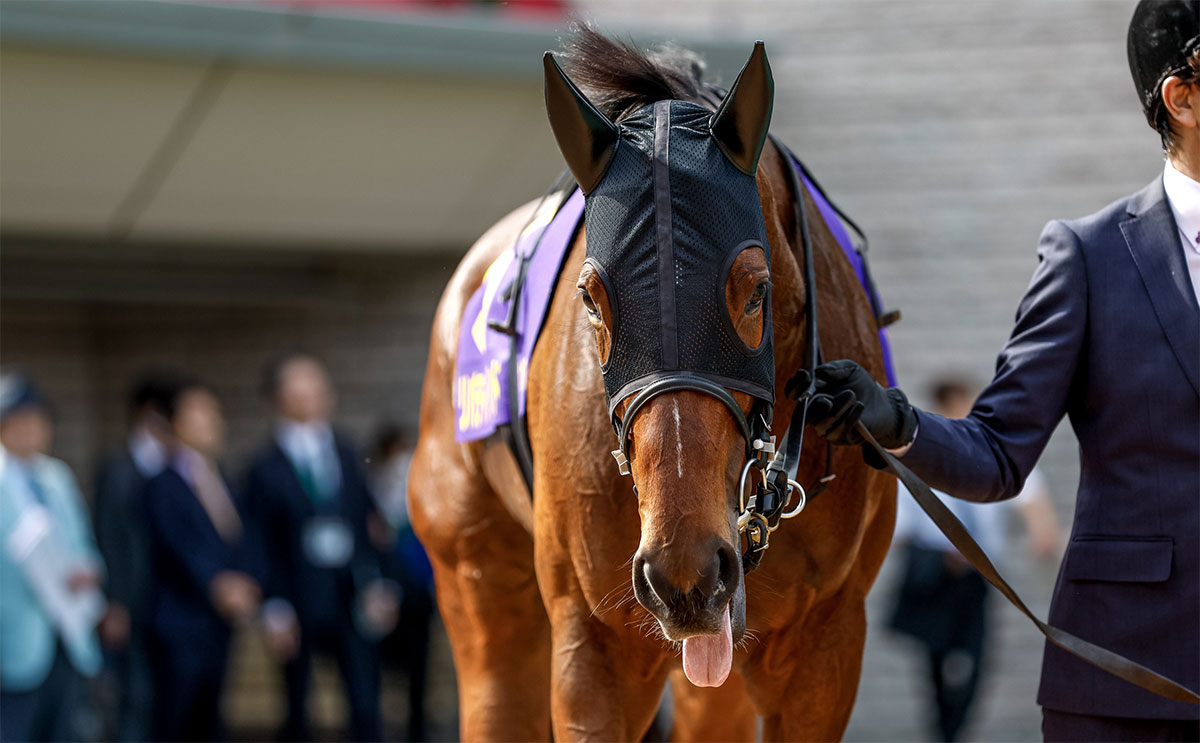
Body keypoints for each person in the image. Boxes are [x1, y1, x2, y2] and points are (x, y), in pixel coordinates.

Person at [804, 3, 1200, 739]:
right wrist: (893, 421)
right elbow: (997, 454)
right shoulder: (1091, 258)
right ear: (1183, 98)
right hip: (1129, 679)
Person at [888, 377, 1061, 742]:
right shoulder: (922, 458)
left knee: (976, 658)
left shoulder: (987, 451)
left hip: (976, 578)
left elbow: (1028, 490)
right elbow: (900, 527)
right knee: (935, 660)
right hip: (936, 576)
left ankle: (952, 733)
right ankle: (944, 732)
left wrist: (1042, 528)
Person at [243, 353, 397, 743]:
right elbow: (259, 538)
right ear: (280, 397)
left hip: (349, 592)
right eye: (302, 388)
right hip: (296, 594)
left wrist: (379, 582)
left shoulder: (346, 452)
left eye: (319, 386)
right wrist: (273, 606)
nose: (315, 395)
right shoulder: (263, 466)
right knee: (297, 704)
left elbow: (368, 524)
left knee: (365, 699)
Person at [145, 379, 261, 742]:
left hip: (219, 623)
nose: (210, 422)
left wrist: (248, 581)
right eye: (198, 414)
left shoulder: (224, 478)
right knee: (176, 718)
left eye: (213, 414)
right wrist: (217, 584)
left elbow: (243, 536)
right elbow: (176, 544)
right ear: (174, 424)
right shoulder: (160, 484)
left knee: (211, 719)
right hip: (180, 621)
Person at [0, 373, 106, 743]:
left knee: (67, 730)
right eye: (19, 421)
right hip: (13, 639)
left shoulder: (56, 477)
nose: (30, 430)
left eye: (37, 420)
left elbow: (83, 543)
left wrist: (89, 570)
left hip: (67, 628)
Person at [92, 373, 178, 742]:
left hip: (173, 601)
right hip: (132, 598)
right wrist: (113, 601)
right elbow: (107, 535)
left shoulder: (180, 465)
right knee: (135, 694)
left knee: (170, 694)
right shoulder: (117, 467)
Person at [370, 424, 435, 742]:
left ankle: (416, 731)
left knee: (417, 673)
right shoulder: (373, 498)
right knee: (384, 670)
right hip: (384, 595)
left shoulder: (421, 496)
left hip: (417, 597)